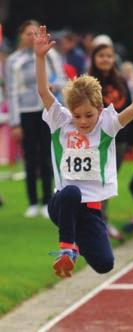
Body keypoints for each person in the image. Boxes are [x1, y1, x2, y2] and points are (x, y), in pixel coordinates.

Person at [34, 25, 133, 277]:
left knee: (105, 264)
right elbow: (43, 91)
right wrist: (40, 57)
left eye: (88, 115)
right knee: (71, 192)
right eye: (77, 116)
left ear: (100, 108)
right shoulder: (60, 121)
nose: (82, 121)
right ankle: (67, 250)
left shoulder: (106, 125)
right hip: (62, 203)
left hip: (90, 209)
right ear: (69, 112)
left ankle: (79, 245)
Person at [5, 20, 66, 218]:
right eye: (28, 33)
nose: (32, 37)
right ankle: (32, 201)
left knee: (48, 155)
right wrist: (15, 122)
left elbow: (62, 79)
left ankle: (48, 200)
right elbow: (12, 92)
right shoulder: (13, 60)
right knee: (30, 157)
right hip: (25, 112)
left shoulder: (52, 54)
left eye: (35, 33)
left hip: (46, 110)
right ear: (21, 35)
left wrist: (56, 90)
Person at [89, 43, 133, 240]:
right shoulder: (88, 82)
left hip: (119, 140)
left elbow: (130, 108)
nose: (105, 59)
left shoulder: (121, 81)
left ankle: (103, 219)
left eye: (109, 56)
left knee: (109, 180)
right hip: (96, 140)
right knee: (95, 181)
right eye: (101, 55)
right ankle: (95, 221)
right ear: (94, 58)